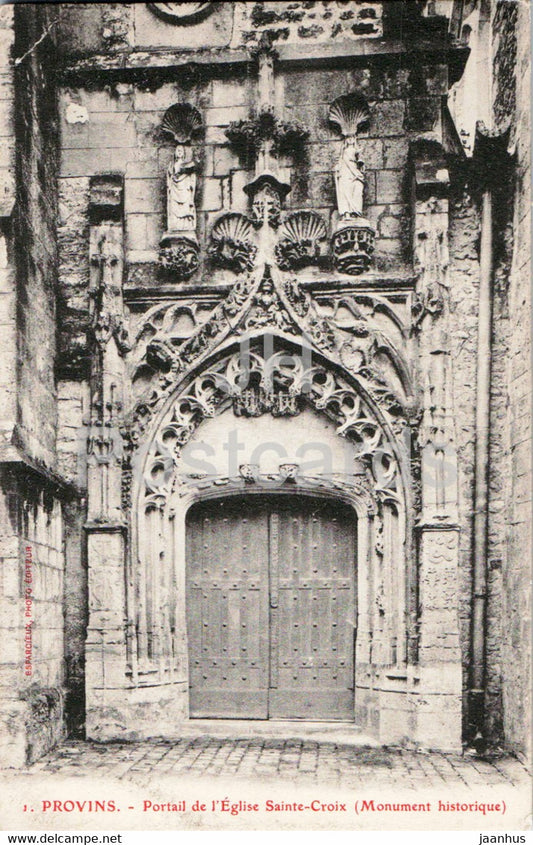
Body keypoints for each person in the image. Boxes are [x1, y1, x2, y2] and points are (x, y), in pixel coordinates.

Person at [167, 144, 197, 232]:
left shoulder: (188, 165)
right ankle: (175, 225)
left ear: (184, 153)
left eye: (181, 150)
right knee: (174, 207)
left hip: (184, 189)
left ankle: (186, 225)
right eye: (177, 150)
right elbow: (170, 177)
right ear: (175, 153)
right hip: (174, 189)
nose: (179, 152)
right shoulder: (172, 165)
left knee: (185, 206)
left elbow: (192, 178)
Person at [334, 136, 365, 218]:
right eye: (348, 138)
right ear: (345, 140)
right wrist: (338, 169)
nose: (350, 139)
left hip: (355, 172)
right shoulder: (343, 153)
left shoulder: (357, 151)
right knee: (345, 191)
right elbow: (340, 163)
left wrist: (358, 172)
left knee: (358, 190)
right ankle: (346, 213)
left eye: (352, 137)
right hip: (345, 172)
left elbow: (361, 165)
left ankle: (356, 212)